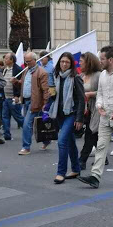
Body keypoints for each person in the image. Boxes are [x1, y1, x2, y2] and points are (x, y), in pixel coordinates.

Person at [78, 46, 113, 189]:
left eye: (102, 59)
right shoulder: (103, 74)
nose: (100, 61)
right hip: (105, 117)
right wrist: (98, 105)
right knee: (101, 146)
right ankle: (95, 176)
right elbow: (101, 93)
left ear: (110, 59)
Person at [49, 52, 85, 184]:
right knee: (69, 142)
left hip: (71, 113)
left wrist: (79, 118)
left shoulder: (75, 77)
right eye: (62, 61)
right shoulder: (56, 76)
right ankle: (76, 169)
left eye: (67, 62)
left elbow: (82, 99)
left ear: (71, 64)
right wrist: (51, 94)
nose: (64, 64)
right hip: (59, 113)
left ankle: (60, 172)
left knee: (62, 141)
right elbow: (54, 98)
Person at [15, 52, 51, 155]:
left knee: (27, 125)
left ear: (35, 60)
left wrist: (45, 103)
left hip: (35, 102)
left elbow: (45, 90)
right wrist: (16, 82)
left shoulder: (42, 72)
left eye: (29, 61)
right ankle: (46, 140)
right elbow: (23, 85)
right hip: (26, 101)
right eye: (26, 61)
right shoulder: (26, 71)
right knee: (39, 124)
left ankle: (26, 147)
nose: (27, 63)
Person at [78, 52, 103, 170]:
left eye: (81, 62)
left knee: (90, 133)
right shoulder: (81, 75)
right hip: (85, 109)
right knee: (94, 134)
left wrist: (90, 94)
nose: (79, 64)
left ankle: (82, 160)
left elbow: (104, 92)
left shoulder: (98, 75)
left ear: (88, 63)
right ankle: (103, 158)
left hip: (96, 109)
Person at [0, 52, 23, 140]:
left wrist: (17, 95)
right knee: (5, 117)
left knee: (18, 117)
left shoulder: (18, 69)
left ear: (11, 60)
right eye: (4, 58)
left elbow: (21, 84)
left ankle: (30, 129)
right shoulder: (4, 69)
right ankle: (7, 135)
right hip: (5, 97)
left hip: (14, 98)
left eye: (6, 58)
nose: (4, 60)